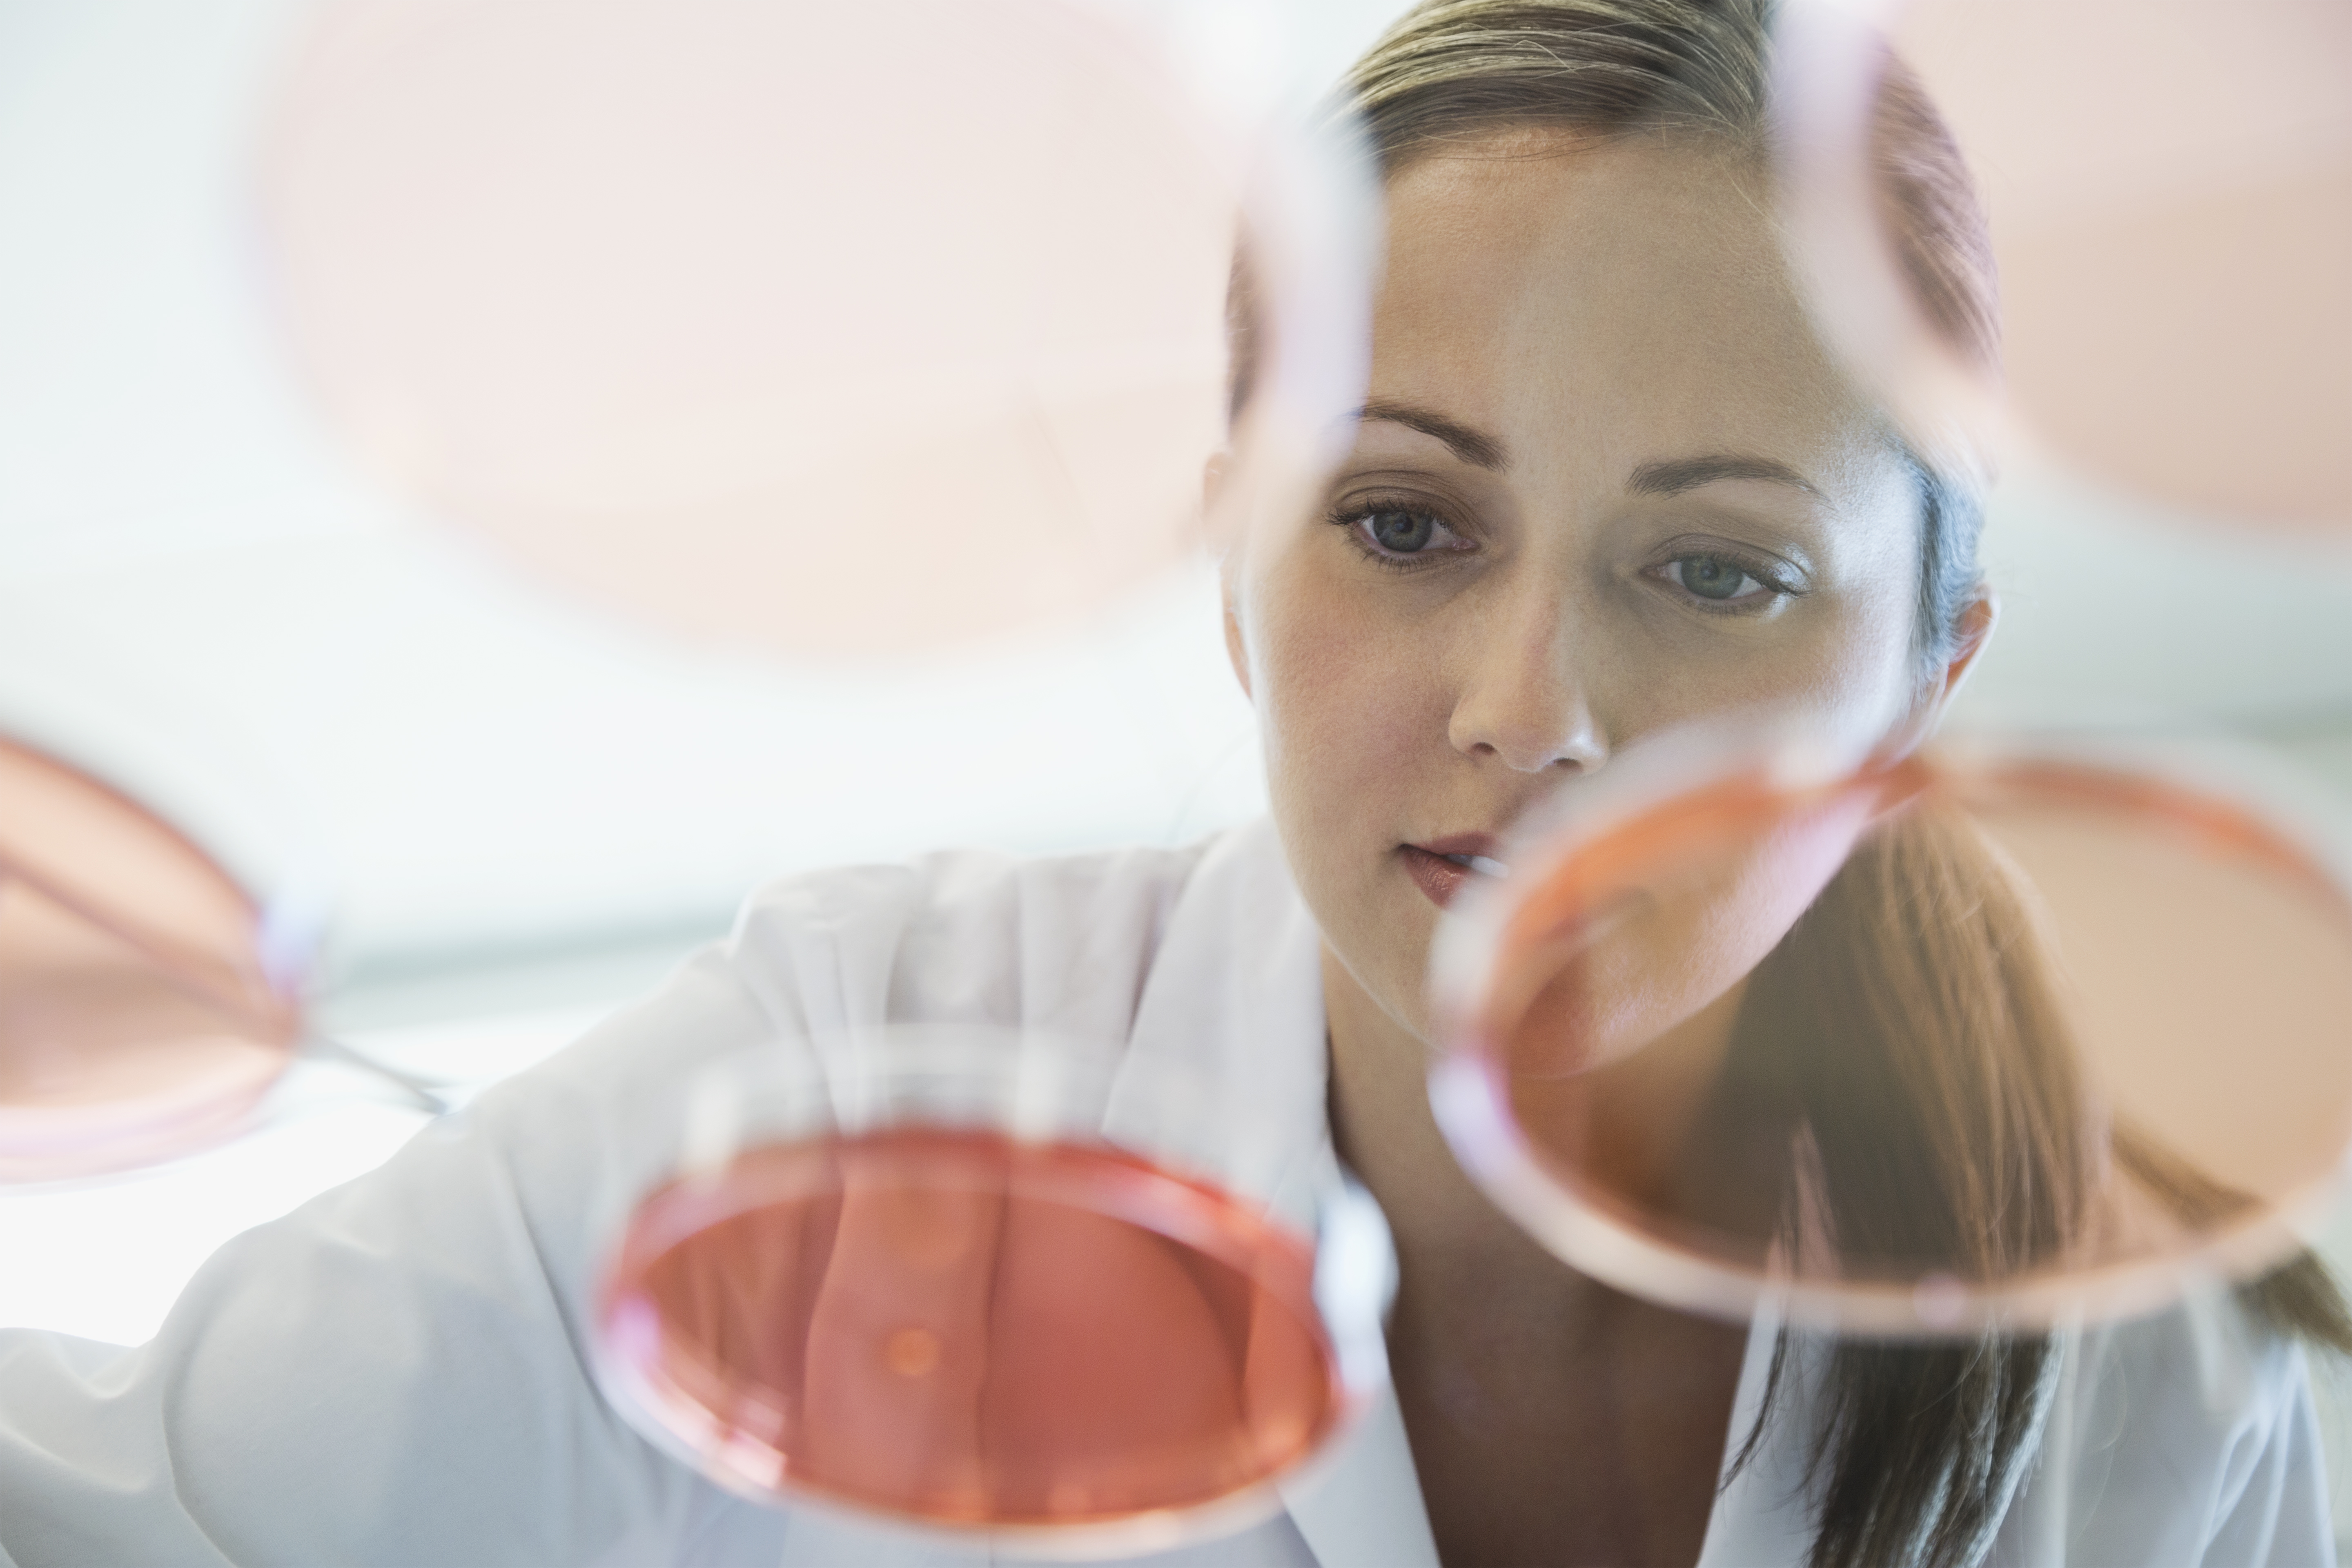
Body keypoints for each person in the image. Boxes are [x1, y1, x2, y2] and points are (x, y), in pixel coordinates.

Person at [0, 1, 2338, 1564]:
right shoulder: (861, 1077)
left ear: (1924, 686)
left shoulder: (2176, 1385)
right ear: (1235, 560)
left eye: (1719, 574)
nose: (1537, 711)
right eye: (1405, 523)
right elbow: (135, 1510)